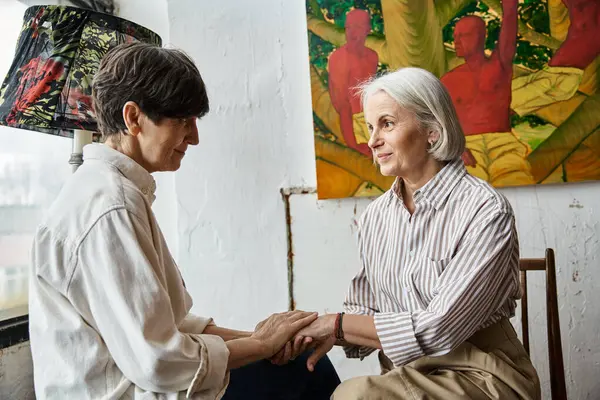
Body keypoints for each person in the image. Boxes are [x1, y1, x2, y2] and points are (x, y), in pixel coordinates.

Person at [28, 42, 340, 399]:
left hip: (151, 380)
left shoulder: (116, 192)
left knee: (299, 363)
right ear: (133, 118)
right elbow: (160, 360)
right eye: (182, 121)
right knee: (306, 372)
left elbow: (170, 326)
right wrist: (261, 345)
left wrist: (265, 339)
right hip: (134, 390)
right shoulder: (109, 206)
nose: (194, 137)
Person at [296, 67, 541, 399]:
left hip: (484, 373)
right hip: (408, 373)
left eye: (387, 124)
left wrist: (336, 324)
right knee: (302, 376)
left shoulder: (485, 210)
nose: (372, 141)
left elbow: (438, 328)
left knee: (355, 396)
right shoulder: (376, 217)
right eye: (370, 127)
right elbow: (366, 309)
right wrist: (310, 331)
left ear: (432, 132)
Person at [441, 0, 599, 186]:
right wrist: (454, 145)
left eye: (464, 35)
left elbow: (508, 30)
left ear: (481, 36)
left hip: (503, 142)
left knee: (515, 181)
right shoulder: (448, 80)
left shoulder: (499, 66)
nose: (457, 41)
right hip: (470, 145)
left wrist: (510, 7)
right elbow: (433, 120)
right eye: (456, 35)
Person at [328, 8, 379, 157]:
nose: (351, 32)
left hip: (371, 117)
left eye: (357, 27)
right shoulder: (338, 58)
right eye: (348, 27)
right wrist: (353, 144)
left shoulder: (372, 57)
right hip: (352, 122)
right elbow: (342, 104)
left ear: (368, 30)